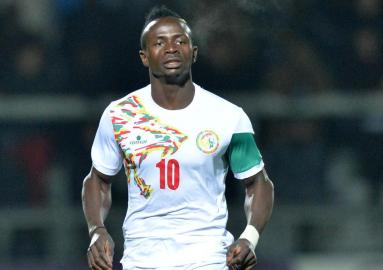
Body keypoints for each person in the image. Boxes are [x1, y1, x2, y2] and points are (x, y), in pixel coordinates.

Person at [82, 5, 274, 270]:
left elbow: (259, 183)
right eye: (159, 42)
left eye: (180, 41)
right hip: (142, 261)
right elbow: (97, 180)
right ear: (144, 57)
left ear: (193, 53)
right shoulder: (120, 115)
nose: (171, 48)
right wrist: (97, 230)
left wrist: (249, 237)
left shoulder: (228, 117)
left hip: (207, 260)